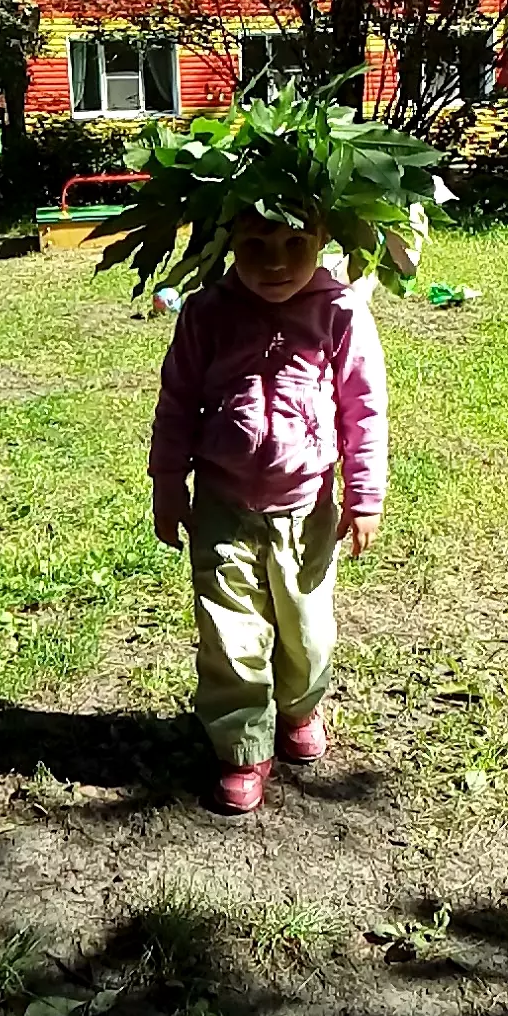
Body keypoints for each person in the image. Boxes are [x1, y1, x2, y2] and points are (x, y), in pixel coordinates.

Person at [149, 211, 388, 813]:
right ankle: (242, 744)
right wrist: (168, 483)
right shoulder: (207, 312)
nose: (274, 260)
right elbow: (176, 401)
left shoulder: (339, 312)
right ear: (227, 241)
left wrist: (364, 496)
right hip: (222, 502)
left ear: (323, 240)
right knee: (229, 633)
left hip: (306, 505)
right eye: (254, 244)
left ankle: (301, 706)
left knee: (306, 631)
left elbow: (365, 409)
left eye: (294, 243)